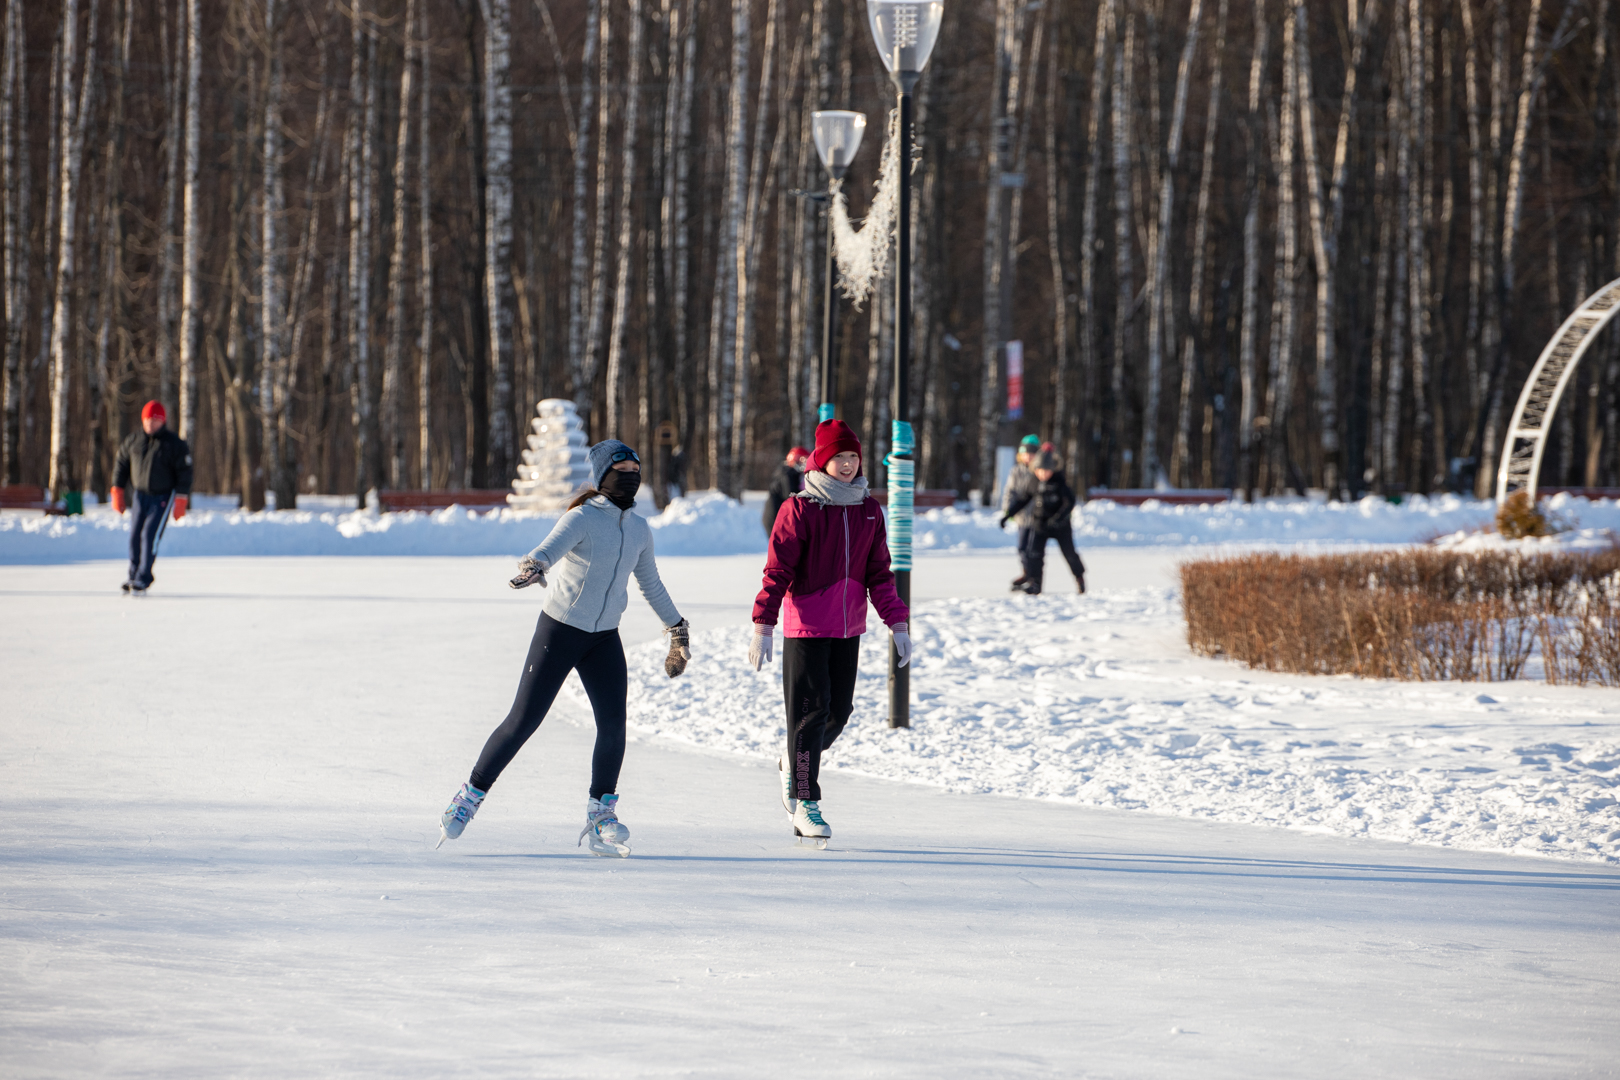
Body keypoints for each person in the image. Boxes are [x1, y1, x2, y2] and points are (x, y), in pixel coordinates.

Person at [438, 439, 692, 857]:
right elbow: (546, 551)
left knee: (613, 726)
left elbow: (651, 583)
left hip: (604, 638)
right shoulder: (582, 518)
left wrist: (676, 628)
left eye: (635, 469)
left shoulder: (640, 530)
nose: (630, 476)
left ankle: (600, 815)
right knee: (523, 721)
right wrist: (532, 567)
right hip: (560, 631)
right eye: (621, 469)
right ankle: (469, 796)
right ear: (602, 476)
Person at [749, 419, 911, 848]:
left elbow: (879, 573)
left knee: (839, 712)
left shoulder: (869, 510)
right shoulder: (799, 508)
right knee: (809, 715)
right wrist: (763, 625)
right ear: (822, 460)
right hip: (805, 627)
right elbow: (777, 570)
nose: (847, 464)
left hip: (847, 628)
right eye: (839, 456)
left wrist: (897, 621)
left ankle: (792, 761)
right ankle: (806, 802)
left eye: (853, 456)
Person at [111, 400, 192, 594]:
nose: (150, 423)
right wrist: (118, 491)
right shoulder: (134, 440)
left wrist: (181, 499)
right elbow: (121, 464)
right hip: (140, 495)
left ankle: (143, 577)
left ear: (162, 421)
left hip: (162, 497)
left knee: (149, 536)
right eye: (148, 419)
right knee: (134, 537)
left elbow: (185, 472)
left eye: (155, 420)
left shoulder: (174, 444)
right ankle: (133, 575)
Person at [1002, 449, 1086, 595]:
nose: (1043, 474)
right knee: (1034, 553)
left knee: (1069, 553)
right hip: (1041, 523)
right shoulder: (1033, 481)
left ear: (1052, 470)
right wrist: (1008, 514)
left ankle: (1079, 578)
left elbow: (1069, 502)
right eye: (1039, 470)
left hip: (1061, 525)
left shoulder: (1059, 481)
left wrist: (1059, 518)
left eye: (1046, 471)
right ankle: (1036, 584)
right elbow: (1024, 499)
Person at [999, 434, 1042, 591]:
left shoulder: (1039, 471)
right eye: (1025, 453)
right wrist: (1008, 510)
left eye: (1031, 453)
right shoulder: (1016, 471)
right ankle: (1026, 573)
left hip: (1036, 518)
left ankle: (1033, 577)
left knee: (1032, 549)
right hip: (1021, 517)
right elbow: (1009, 491)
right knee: (1022, 548)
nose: (1028, 456)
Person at [762, 445, 811, 532]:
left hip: (779, 518)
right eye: (803, 460)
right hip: (776, 519)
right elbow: (792, 496)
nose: (805, 463)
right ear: (796, 460)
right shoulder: (786, 474)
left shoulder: (792, 474)